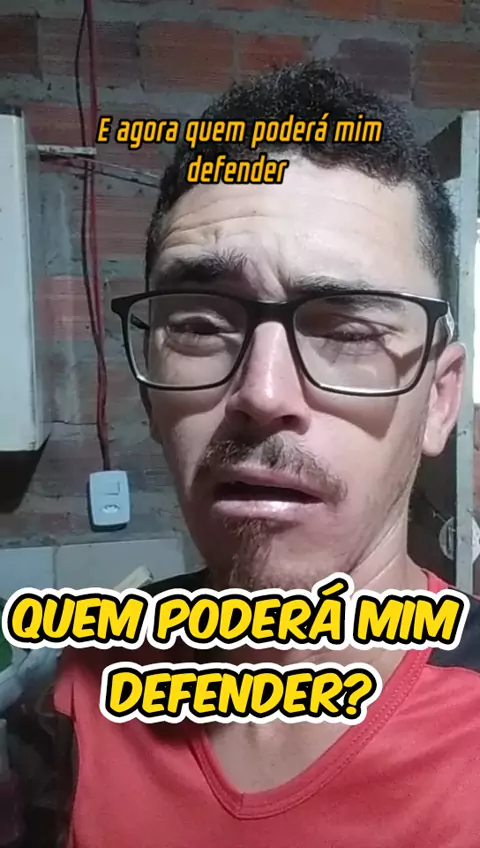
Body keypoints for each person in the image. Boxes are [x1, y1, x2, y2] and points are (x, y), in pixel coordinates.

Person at [17, 61, 480, 847]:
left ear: (438, 401)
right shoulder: (74, 696)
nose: (262, 393)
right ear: (149, 390)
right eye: (199, 325)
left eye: (348, 330)